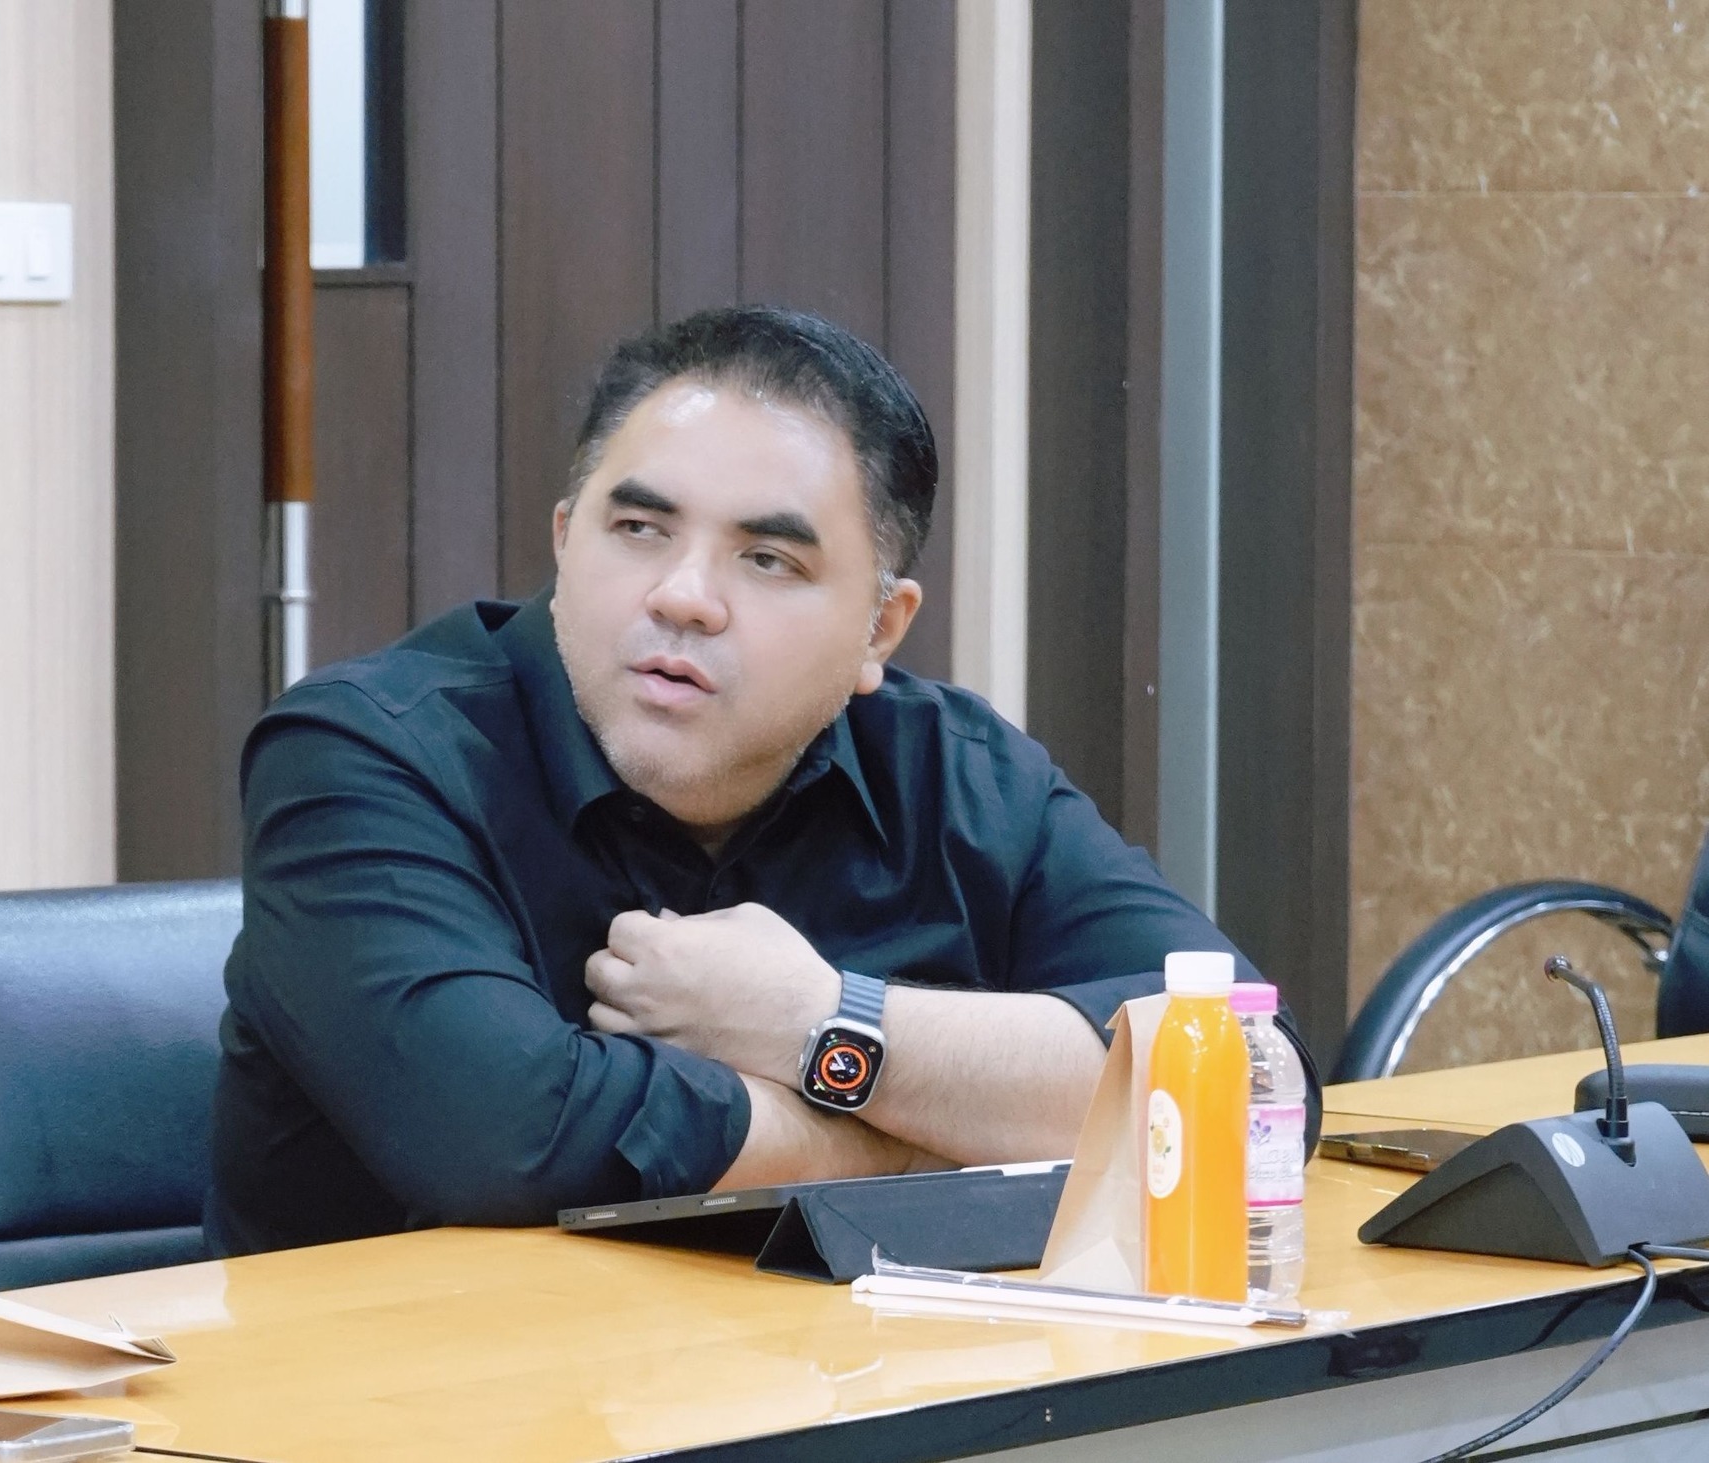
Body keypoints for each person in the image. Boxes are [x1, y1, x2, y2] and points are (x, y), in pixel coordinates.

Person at [204, 305, 1318, 1257]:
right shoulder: (366, 751)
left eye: (767, 558)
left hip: (835, 1390)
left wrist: (819, 1024)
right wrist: (927, 1136)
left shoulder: (956, 772)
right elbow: (503, 1136)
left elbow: (1251, 1083)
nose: (683, 596)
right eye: (638, 528)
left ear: (880, 627)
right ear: (564, 541)